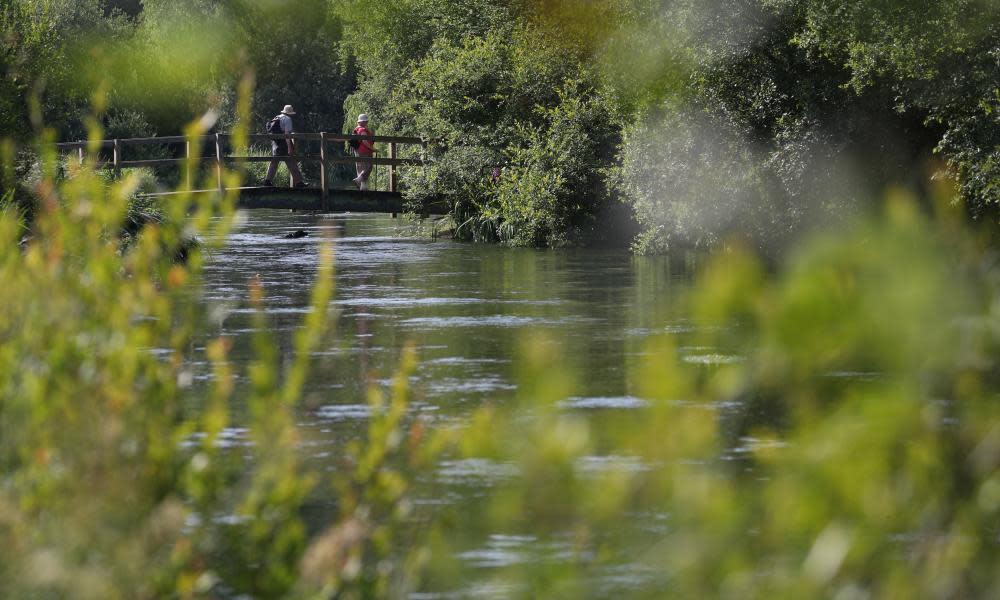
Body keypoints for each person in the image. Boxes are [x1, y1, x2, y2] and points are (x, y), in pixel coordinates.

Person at [263, 104, 308, 187]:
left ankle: (267, 181)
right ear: (290, 113)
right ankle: (299, 183)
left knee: (274, 162)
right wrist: (290, 148)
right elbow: (287, 135)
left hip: (275, 144)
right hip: (283, 144)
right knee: (291, 162)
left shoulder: (277, 117)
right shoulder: (287, 119)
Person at [351, 114, 376, 191]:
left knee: (361, 169)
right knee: (368, 167)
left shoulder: (356, 129)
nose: (366, 123)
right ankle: (358, 181)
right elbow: (364, 141)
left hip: (358, 151)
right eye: (366, 121)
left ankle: (363, 187)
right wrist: (372, 148)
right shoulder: (362, 130)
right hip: (365, 151)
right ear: (363, 122)